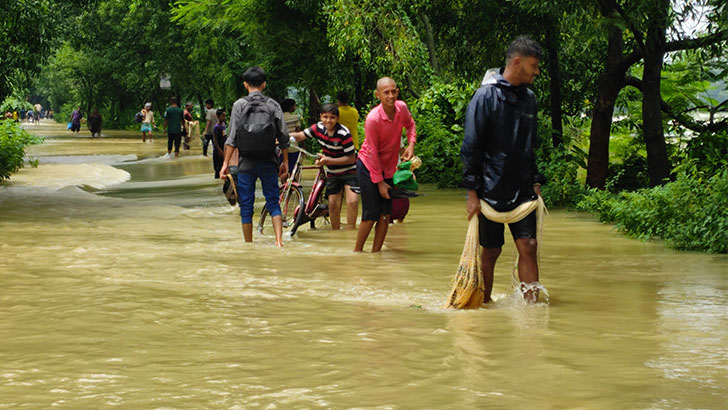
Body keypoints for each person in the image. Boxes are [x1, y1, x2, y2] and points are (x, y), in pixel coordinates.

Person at [461, 36, 546, 304]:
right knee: (491, 250)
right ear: (517, 62)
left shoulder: (529, 99)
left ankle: (532, 310)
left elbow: (530, 144)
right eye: (534, 66)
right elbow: (471, 145)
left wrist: (534, 182)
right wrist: (472, 193)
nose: (536, 72)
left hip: (522, 188)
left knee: (528, 247)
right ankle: (484, 304)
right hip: (489, 189)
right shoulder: (485, 96)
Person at [219, 67, 290, 248]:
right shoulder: (273, 105)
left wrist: (225, 163)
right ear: (264, 84)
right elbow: (283, 137)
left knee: (246, 206)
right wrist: (286, 163)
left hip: (246, 163)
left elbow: (232, 138)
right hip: (269, 160)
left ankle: (249, 245)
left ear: (245, 85)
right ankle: (279, 241)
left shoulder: (239, 105)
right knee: (273, 201)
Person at [354, 77, 416, 252]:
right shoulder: (373, 119)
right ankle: (357, 252)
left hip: (389, 167)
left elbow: (410, 125)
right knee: (370, 214)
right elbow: (372, 152)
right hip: (368, 166)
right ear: (378, 95)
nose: (390, 96)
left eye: (393, 91)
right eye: (386, 92)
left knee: (385, 214)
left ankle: (376, 253)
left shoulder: (401, 108)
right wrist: (380, 182)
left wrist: (411, 145)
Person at [290, 104, 359, 230]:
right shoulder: (318, 128)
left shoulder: (343, 133)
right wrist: (284, 138)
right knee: (333, 203)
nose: (328, 120)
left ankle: (351, 231)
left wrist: (328, 160)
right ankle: (336, 232)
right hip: (333, 172)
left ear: (337, 118)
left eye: (332, 117)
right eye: (325, 117)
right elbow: (300, 135)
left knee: (352, 201)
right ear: (321, 117)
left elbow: (351, 158)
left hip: (350, 170)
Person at [280, 98, 301, 171]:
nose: (295, 107)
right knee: (294, 169)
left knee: (283, 168)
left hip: (281, 147)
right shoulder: (295, 118)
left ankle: (284, 182)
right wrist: (303, 146)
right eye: (294, 106)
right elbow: (299, 133)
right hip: (294, 147)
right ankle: (294, 181)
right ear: (291, 107)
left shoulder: (278, 118)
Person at [212, 109, 227, 178]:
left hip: (223, 148)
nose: (224, 118)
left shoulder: (224, 125)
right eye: (223, 116)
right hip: (218, 150)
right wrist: (219, 150)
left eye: (225, 116)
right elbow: (215, 140)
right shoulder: (216, 127)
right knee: (218, 168)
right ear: (218, 116)